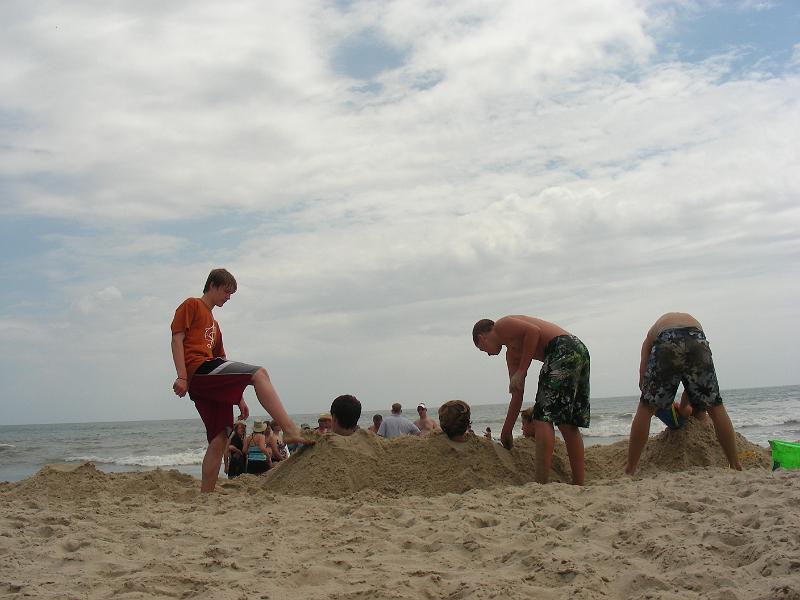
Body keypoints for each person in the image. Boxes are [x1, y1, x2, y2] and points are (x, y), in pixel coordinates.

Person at [170, 268, 309, 492]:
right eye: (226, 292)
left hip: (210, 377)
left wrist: (239, 397)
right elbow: (177, 339)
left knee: (220, 438)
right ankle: (290, 428)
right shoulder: (192, 305)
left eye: (231, 294)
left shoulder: (215, 326)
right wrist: (182, 376)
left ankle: (206, 495)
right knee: (259, 373)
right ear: (213, 285)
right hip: (199, 370)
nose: (228, 297)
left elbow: (223, 361)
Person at [473, 316, 589, 485]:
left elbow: (534, 332)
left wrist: (521, 371)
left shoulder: (501, 325)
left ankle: (541, 483)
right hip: (578, 350)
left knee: (542, 418)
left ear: (481, 339)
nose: (489, 354)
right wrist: (507, 430)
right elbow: (517, 394)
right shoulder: (511, 355)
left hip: (562, 348)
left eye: (483, 350)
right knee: (566, 422)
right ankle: (579, 484)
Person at [625, 313, 742, 475]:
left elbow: (644, 359)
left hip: (667, 338)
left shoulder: (652, 335)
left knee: (645, 409)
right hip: (697, 338)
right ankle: (735, 465)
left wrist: (643, 379)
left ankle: (630, 470)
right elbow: (692, 383)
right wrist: (687, 402)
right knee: (715, 406)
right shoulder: (688, 320)